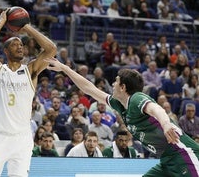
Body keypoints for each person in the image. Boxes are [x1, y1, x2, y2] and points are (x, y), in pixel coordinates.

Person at [45, 57, 199, 176]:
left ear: (123, 87)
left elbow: (157, 109)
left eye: (116, 82)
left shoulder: (136, 98)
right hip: (167, 160)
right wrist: (65, 68)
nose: (112, 84)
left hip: (184, 154)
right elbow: (89, 89)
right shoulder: (119, 104)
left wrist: (166, 125)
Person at [0, 9, 57, 177]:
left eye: (21, 45)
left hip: (22, 138)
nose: (20, 47)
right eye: (14, 44)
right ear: (5, 51)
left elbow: (51, 49)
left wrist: (26, 26)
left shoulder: (31, 70)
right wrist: (1, 23)